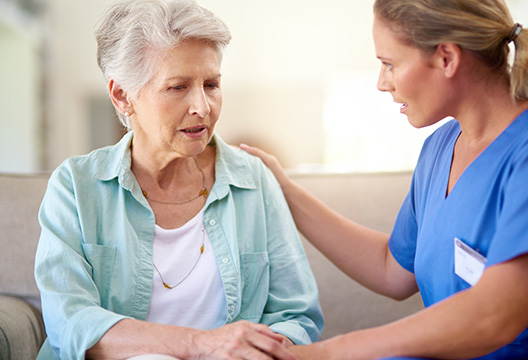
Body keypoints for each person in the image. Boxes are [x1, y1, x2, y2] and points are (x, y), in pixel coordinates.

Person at [241, 0, 528, 358]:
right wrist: (284, 190)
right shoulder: (440, 147)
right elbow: (391, 269)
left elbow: (496, 315)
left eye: (389, 64)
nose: (382, 83)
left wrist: (333, 352)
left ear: (446, 57)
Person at [34, 0, 323, 359]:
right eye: (178, 87)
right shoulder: (76, 187)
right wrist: (199, 344)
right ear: (122, 95)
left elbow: (296, 317)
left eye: (212, 84)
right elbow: (72, 322)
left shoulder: (253, 181)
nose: (202, 106)